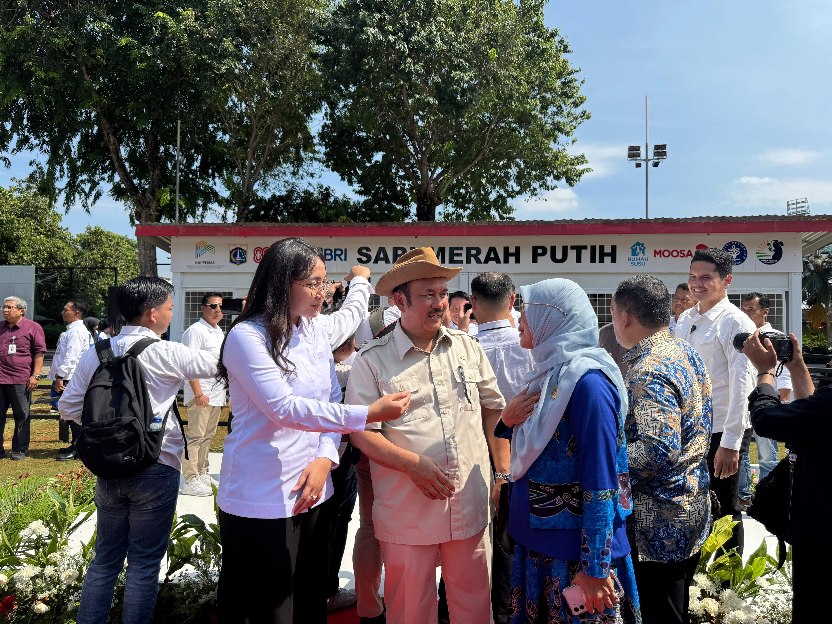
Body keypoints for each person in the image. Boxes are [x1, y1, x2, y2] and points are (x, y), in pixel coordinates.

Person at [214, 238, 410, 624]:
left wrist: (325, 457)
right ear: (281, 282)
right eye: (313, 283)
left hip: (314, 489)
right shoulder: (247, 337)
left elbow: (329, 396)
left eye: (325, 282)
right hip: (262, 493)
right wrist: (367, 413)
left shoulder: (315, 329)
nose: (323, 292)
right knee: (269, 608)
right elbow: (284, 409)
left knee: (308, 597)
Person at [346, 247, 508, 624]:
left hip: (468, 507)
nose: (440, 304)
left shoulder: (468, 348)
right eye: (428, 295)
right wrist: (413, 465)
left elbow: (493, 410)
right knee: (410, 614)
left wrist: (502, 472)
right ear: (399, 300)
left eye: (442, 294)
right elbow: (361, 434)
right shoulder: (371, 360)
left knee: (474, 612)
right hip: (407, 514)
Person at [59, 277, 220, 624]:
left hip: (108, 468)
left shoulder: (96, 353)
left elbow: (68, 407)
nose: (170, 315)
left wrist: (106, 431)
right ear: (151, 313)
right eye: (169, 308)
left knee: (104, 558)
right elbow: (220, 366)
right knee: (145, 563)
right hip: (156, 464)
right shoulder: (167, 352)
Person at [497, 278, 640, 623]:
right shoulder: (550, 376)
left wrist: (594, 568)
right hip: (541, 546)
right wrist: (506, 421)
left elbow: (601, 479)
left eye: (528, 313)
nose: (519, 318)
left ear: (553, 319)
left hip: (576, 559)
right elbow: (536, 445)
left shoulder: (588, 383)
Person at [611, 275, 712, 624]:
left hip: (659, 521)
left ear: (625, 317)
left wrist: (602, 462)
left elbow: (657, 450)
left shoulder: (649, 368)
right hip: (689, 505)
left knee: (661, 613)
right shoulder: (683, 351)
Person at [742, 330, 830, 623]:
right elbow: (813, 414)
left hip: (821, 534)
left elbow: (767, 420)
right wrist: (796, 366)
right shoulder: (822, 410)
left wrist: (766, 373)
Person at [674, 248, 756, 554]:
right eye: (693, 276)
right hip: (689, 431)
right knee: (691, 506)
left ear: (726, 281)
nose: (697, 283)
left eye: (706, 277)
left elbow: (742, 386)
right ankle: (698, 580)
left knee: (725, 511)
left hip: (722, 431)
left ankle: (724, 591)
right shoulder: (685, 319)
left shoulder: (736, 322)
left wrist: (732, 443)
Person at [469, 271, 534, 624]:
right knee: (511, 539)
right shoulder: (530, 348)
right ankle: (507, 612)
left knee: (467, 540)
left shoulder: (461, 348)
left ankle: (454, 610)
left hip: (471, 458)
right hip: (522, 458)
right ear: (512, 301)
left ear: (473, 303)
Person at [738, 292, 790, 507]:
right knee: (742, 454)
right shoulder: (740, 336)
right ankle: (744, 494)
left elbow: (784, 371)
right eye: (744, 309)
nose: (746, 313)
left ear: (765, 312)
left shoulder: (775, 336)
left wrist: (783, 397)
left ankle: (768, 496)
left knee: (767, 453)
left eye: (751, 309)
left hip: (766, 402)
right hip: (742, 402)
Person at [179, 293, 226, 497]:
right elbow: (188, 363)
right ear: (203, 308)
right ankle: (190, 478)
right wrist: (198, 392)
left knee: (208, 436)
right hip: (202, 392)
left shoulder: (218, 332)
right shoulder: (195, 331)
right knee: (196, 436)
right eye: (213, 306)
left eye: (220, 306)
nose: (217, 310)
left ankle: (202, 471)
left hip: (217, 392)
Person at [326, 334, 360, 613]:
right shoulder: (358, 366)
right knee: (338, 518)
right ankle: (326, 589)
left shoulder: (310, 364)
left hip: (312, 454)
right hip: (338, 452)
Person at [0, 296, 46, 460]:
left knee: (22, 415)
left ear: (21, 311)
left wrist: (35, 375)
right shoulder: (1, 327)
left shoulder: (33, 327)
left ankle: (19, 449)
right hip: (1, 379)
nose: (5, 310)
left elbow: (39, 353)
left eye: (9, 307)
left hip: (21, 379)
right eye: (4, 307)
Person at [51, 299, 94, 461]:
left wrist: (60, 376)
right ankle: (76, 443)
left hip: (71, 378)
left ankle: (79, 447)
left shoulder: (77, 331)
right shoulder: (73, 330)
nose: (63, 312)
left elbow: (71, 357)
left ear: (77, 313)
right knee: (69, 412)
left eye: (66, 309)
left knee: (74, 413)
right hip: (69, 378)